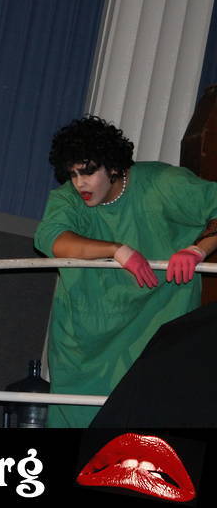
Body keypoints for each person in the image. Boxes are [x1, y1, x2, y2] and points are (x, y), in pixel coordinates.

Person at [34, 116, 217, 427]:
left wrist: (198, 249)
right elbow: (51, 239)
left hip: (154, 330)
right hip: (83, 341)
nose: (79, 184)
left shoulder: (162, 183)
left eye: (88, 172)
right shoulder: (67, 198)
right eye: (73, 174)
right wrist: (116, 249)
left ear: (114, 166)